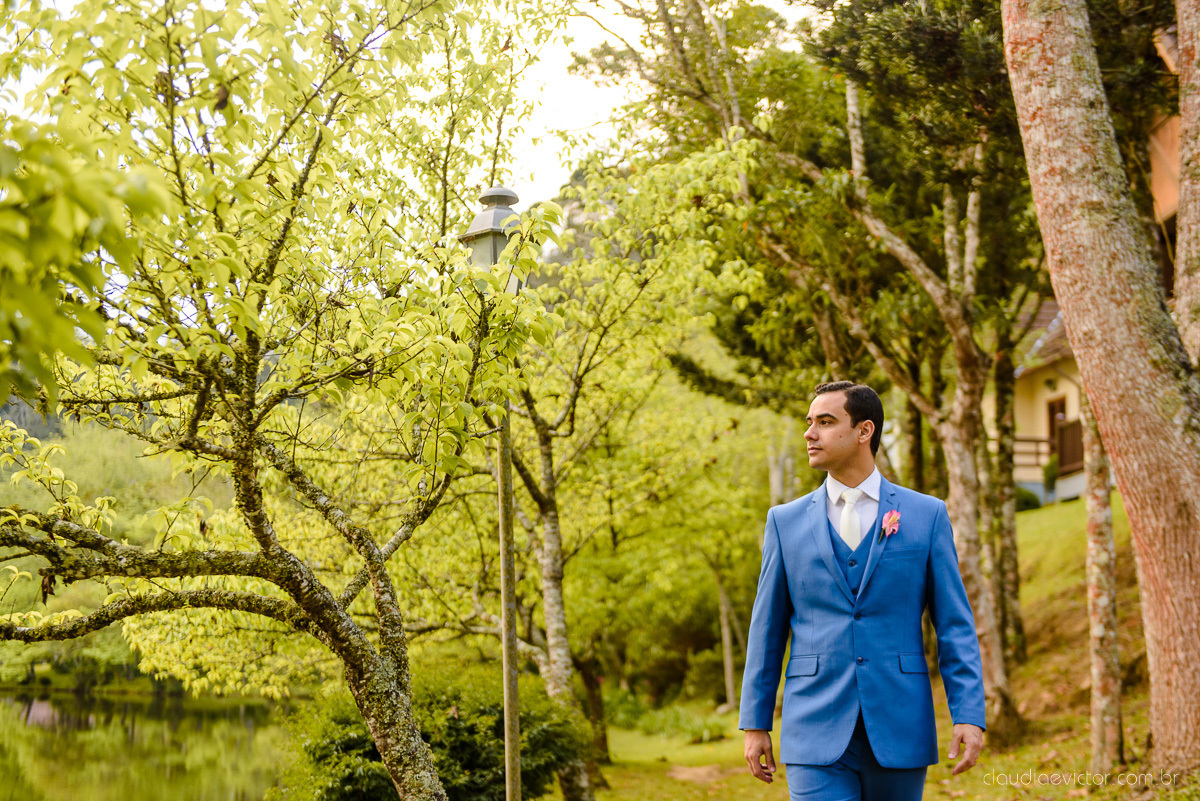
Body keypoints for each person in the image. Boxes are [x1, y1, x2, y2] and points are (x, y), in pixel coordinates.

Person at [740, 381, 985, 801]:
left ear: (864, 431)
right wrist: (755, 721)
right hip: (813, 726)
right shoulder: (784, 521)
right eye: (809, 422)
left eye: (825, 422)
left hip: (900, 723)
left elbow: (954, 624)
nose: (809, 433)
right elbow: (767, 629)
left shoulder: (926, 515)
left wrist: (968, 713)